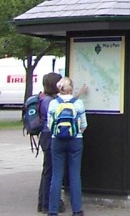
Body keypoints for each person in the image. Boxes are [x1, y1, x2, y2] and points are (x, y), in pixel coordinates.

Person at [47, 77, 87, 216]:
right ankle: (77, 210)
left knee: (56, 175)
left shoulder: (53, 104)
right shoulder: (78, 103)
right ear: (71, 88)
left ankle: (52, 210)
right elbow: (83, 125)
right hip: (75, 141)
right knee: (75, 175)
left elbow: (49, 125)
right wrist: (76, 133)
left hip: (57, 141)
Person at [37, 72, 64, 214]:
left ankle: (42, 202)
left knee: (47, 170)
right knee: (51, 171)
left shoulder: (43, 98)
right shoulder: (50, 102)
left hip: (44, 136)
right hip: (50, 136)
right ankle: (47, 203)